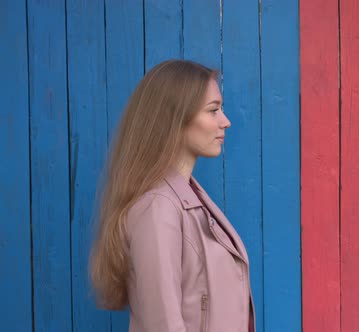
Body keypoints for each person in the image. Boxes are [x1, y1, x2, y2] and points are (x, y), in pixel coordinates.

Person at [89, 59, 255, 332]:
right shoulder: (158, 208)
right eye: (213, 110)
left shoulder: (189, 197)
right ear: (175, 118)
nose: (226, 121)